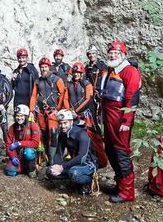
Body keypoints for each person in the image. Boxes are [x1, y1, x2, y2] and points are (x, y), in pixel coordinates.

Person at [98, 41, 141, 203]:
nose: (112, 55)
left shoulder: (130, 72)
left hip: (120, 119)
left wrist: (126, 122)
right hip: (108, 117)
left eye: (116, 53)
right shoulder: (109, 70)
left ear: (123, 55)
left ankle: (127, 192)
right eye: (110, 53)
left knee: (121, 152)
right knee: (110, 150)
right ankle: (120, 185)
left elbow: (132, 98)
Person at [46, 110, 97, 196]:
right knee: (49, 171)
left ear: (71, 121)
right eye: (60, 123)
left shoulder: (82, 134)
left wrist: (62, 167)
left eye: (65, 123)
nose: (62, 126)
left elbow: (82, 157)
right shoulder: (62, 134)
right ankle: (75, 178)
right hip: (74, 162)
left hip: (88, 163)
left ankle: (88, 181)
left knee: (74, 173)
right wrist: (56, 166)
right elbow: (58, 153)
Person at [36, 57, 68, 165]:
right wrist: (31, 110)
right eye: (41, 67)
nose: (43, 69)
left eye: (45, 67)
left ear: (49, 67)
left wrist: (58, 109)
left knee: (53, 133)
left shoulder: (57, 80)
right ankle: (45, 157)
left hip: (53, 111)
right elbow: (33, 96)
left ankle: (52, 160)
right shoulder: (38, 81)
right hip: (42, 111)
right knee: (44, 133)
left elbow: (63, 94)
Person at [5, 105, 41, 178]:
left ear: (26, 116)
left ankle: (31, 168)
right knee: (10, 172)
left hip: (29, 151)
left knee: (28, 152)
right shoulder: (12, 127)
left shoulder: (33, 126)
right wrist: (12, 156)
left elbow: (35, 143)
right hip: (17, 153)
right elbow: (8, 144)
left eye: (22, 116)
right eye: (17, 116)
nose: (19, 118)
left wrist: (20, 143)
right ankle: (22, 167)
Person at [67, 62, 96, 128]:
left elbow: (88, 99)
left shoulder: (87, 84)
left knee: (89, 131)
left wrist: (76, 111)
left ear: (81, 73)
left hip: (84, 114)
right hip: (73, 114)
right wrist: (69, 111)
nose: (75, 74)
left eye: (78, 72)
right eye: (74, 72)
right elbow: (66, 98)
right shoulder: (69, 85)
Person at [11, 48, 39, 112]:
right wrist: (13, 80)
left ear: (27, 58)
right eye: (19, 58)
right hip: (18, 101)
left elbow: (37, 85)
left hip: (29, 100)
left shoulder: (32, 70)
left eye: (23, 58)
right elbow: (12, 87)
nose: (21, 60)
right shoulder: (16, 71)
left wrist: (35, 101)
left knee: (29, 118)